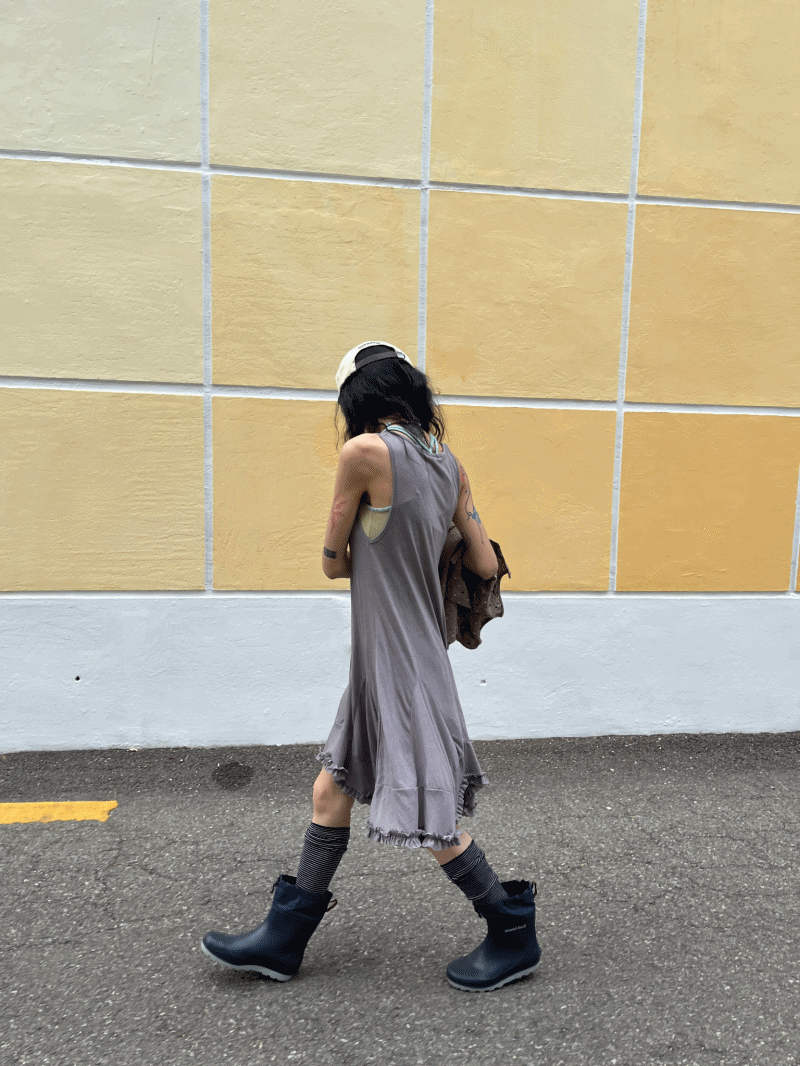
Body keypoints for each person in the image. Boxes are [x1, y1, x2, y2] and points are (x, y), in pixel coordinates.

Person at [201, 342, 541, 992]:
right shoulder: (449, 463)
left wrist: (372, 537)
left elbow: (333, 562)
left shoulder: (364, 453)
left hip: (398, 666)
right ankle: (283, 940)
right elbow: (484, 564)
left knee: (432, 820)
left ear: (356, 399)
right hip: (398, 658)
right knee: (330, 791)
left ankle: (511, 929)